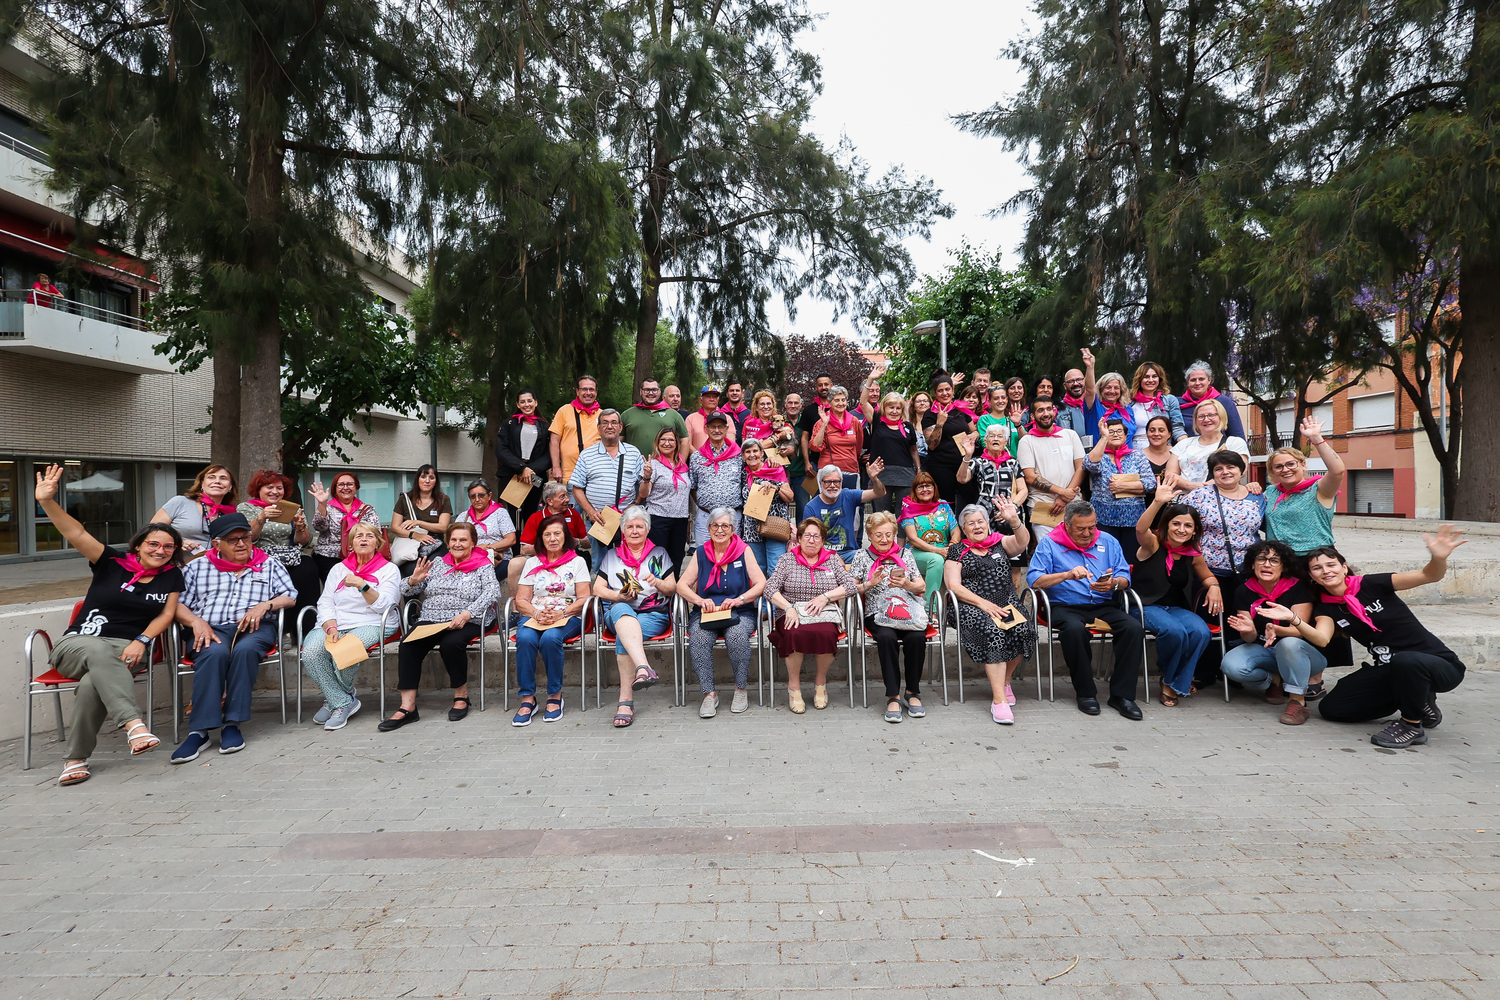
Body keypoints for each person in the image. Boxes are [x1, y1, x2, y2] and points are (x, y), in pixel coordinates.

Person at [34, 465, 183, 786]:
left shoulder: (171, 575)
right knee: (99, 650)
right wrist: (47, 502)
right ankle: (133, 725)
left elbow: (166, 615)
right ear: (139, 545)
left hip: (127, 648)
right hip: (78, 644)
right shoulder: (110, 563)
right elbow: (76, 533)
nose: (161, 550)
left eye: (168, 546)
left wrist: (142, 640)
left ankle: (75, 759)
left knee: (92, 684)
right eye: (154, 544)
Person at [1260, 526, 1468, 748]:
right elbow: (1321, 639)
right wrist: (1293, 618)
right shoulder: (1327, 608)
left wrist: (1438, 558)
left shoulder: (1372, 584)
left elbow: (1429, 575)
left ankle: (1411, 725)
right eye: (1317, 568)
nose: (1326, 571)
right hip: (1390, 668)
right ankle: (1416, 698)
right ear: (1312, 576)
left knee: (1406, 660)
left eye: (1331, 565)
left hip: (1437, 665)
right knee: (1333, 708)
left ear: (1344, 567)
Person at [170, 513, 298, 762]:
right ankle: (200, 731)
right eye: (233, 540)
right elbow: (177, 605)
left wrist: (266, 605)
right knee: (213, 652)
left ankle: (232, 723)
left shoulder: (268, 563)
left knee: (245, 651)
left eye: (245, 538)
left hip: (255, 627)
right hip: (211, 627)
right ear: (217, 544)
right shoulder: (197, 566)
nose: (241, 544)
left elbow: (290, 596)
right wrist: (196, 622)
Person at [1027, 499, 1144, 719]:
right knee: (1073, 630)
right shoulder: (1050, 543)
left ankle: (1122, 696)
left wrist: (1114, 583)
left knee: (1133, 628)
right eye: (1081, 529)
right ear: (1067, 525)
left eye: (1092, 527)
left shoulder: (1108, 541)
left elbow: (1125, 575)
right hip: (1065, 605)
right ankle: (1086, 692)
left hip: (1103, 603)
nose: (1088, 533)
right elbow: (1034, 580)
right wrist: (1066, 574)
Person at [380, 522, 502, 731]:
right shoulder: (437, 563)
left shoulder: (483, 565)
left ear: (473, 543)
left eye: (463, 540)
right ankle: (408, 707)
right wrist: (412, 581)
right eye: (453, 540)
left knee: (451, 643)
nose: (457, 544)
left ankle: (461, 696)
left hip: (469, 618)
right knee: (408, 644)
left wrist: (466, 613)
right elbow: (406, 591)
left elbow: (492, 593)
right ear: (447, 542)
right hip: (432, 618)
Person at [298, 521, 401, 731]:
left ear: (378, 543)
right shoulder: (338, 569)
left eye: (369, 536)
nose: (364, 539)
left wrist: (362, 585)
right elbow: (325, 601)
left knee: (343, 651)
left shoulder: (389, 570)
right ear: (351, 544)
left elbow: (386, 607)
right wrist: (330, 626)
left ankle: (335, 700)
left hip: (373, 623)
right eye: (358, 536)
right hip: (337, 622)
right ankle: (342, 700)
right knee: (311, 651)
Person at [945, 502, 1036, 724]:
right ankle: (999, 701)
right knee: (994, 630)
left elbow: (1022, 542)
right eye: (970, 524)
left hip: (1005, 604)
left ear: (988, 523)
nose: (976, 526)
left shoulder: (999, 544)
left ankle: (1004, 682)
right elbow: (953, 586)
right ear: (964, 529)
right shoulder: (957, 550)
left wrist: (1014, 520)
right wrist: (983, 604)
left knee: (1024, 629)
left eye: (980, 521)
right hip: (971, 606)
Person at [1132, 485, 1219, 707]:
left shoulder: (1192, 554)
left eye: (1188, 525)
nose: (1181, 529)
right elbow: (1141, 529)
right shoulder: (1152, 544)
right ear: (1167, 525)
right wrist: (1157, 502)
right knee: (1174, 632)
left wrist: (1214, 587)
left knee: (1201, 632)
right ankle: (1171, 683)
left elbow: (1208, 577)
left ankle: (1172, 678)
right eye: (1176, 523)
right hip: (1145, 606)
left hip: (1176, 608)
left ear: (1194, 530)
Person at [1221, 539, 1324, 725]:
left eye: (1274, 560)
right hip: (1264, 648)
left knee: (1288, 643)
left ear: (1283, 566)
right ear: (1253, 564)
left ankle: (1297, 701)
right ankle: (1273, 681)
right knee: (1231, 666)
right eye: (1261, 559)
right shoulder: (1244, 591)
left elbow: (1297, 632)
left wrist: (1275, 629)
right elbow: (1249, 638)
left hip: (1302, 655)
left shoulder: (1298, 588)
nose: (1267, 564)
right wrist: (1249, 630)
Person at [593, 507, 676, 727]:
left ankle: (625, 701)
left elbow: (672, 587)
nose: (635, 531)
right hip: (619, 612)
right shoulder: (611, 556)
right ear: (622, 530)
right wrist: (618, 595)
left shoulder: (659, 553)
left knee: (624, 635)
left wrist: (657, 582)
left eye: (639, 526)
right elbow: (597, 589)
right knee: (620, 609)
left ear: (647, 530)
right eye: (630, 527)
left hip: (653, 615)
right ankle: (643, 668)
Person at [679, 507, 766, 718]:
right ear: (708, 528)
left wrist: (739, 600)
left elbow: (761, 583)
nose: (720, 530)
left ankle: (740, 689)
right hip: (706, 613)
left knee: (736, 636)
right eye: (715, 525)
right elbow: (681, 585)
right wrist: (700, 600)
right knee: (698, 638)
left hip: (740, 611)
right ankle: (709, 694)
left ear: (733, 529)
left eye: (725, 525)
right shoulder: (701, 552)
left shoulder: (744, 550)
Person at [765, 518, 857, 713]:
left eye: (816, 536)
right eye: (807, 536)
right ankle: (794, 686)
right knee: (794, 632)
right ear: (799, 539)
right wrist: (788, 607)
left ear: (823, 540)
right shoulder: (787, 559)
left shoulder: (832, 559)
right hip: (791, 611)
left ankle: (820, 683)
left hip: (823, 613)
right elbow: (770, 588)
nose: (811, 540)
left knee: (826, 633)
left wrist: (825, 597)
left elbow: (850, 586)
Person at [509, 514, 591, 726]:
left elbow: (584, 598)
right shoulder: (532, 563)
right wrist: (537, 613)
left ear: (565, 536)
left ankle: (555, 696)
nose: (553, 538)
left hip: (567, 615)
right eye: (547, 534)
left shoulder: (577, 562)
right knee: (525, 638)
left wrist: (561, 613)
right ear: (541, 538)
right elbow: (521, 600)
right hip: (536, 615)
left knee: (550, 638)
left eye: (557, 533)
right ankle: (528, 699)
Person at [849, 511, 930, 723]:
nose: (884, 539)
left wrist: (907, 585)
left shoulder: (905, 554)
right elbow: (850, 588)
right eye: (878, 535)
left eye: (888, 534)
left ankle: (912, 692)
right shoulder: (861, 556)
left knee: (916, 637)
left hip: (906, 610)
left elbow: (921, 585)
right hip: (877, 613)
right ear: (869, 535)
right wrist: (870, 584)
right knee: (886, 637)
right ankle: (893, 695)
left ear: (895, 533)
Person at [957, 423, 1032, 593]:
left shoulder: (1013, 462)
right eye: (992, 436)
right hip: (985, 516)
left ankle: (1014, 602)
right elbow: (962, 479)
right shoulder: (978, 461)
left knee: (1015, 564)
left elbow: (1023, 490)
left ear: (1006, 441)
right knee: (987, 559)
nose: (996, 439)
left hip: (1010, 516)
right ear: (985, 440)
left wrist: (1010, 508)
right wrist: (967, 456)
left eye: (1000, 436)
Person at [570, 409, 645, 572]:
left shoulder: (633, 453)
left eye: (613, 423)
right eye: (605, 423)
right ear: (599, 427)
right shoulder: (587, 455)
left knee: (626, 565)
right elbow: (577, 488)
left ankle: (623, 597)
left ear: (620, 427)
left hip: (626, 522)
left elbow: (643, 487)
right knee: (600, 566)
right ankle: (603, 597)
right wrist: (590, 512)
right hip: (599, 521)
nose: (609, 426)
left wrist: (636, 504)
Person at [1181, 450, 1265, 594]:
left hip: (1249, 571)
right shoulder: (1199, 495)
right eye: (1218, 469)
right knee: (1212, 615)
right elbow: (1176, 521)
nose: (1225, 472)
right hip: (1208, 572)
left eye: (1231, 467)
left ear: (1241, 470)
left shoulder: (1258, 497)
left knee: (1243, 614)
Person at [239, 468, 318, 622]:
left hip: (291, 555)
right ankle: (281, 628)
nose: (274, 491)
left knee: (308, 567)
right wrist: (261, 517)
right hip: (261, 557)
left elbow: (304, 541)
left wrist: (300, 527)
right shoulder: (247, 508)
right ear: (259, 489)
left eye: (279, 488)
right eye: (269, 487)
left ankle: (306, 625)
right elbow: (248, 537)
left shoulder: (292, 508)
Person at [1264, 414, 1346, 555]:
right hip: (1280, 561)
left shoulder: (1319, 489)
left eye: (1291, 464)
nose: (1285, 469)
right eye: (1279, 466)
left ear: (1303, 464)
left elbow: (1337, 471)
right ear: (1273, 471)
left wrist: (1316, 438)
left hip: (1315, 559)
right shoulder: (1270, 492)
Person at [1082, 417, 1157, 552]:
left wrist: (1124, 486)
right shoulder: (1100, 456)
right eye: (1111, 432)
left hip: (1133, 519)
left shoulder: (1137, 456)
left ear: (1126, 436)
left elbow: (1151, 483)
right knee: (1105, 557)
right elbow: (1089, 464)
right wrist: (1104, 438)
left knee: (1130, 558)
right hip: (1103, 518)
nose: (1115, 434)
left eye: (1119, 431)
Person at [507, 481, 589, 597]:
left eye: (566, 495)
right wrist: (548, 547)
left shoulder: (574, 514)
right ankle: (516, 609)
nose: (567, 500)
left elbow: (588, 543)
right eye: (562, 497)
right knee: (515, 563)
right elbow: (524, 550)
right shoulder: (536, 517)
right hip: (541, 557)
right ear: (550, 501)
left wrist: (577, 542)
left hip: (569, 558)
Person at [1017, 398, 1086, 531]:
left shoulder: (1070, 435)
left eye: (1049, 409)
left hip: (1072, 502)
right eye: (1040, 410)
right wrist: (1061, 492)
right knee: (1049, 549)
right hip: (1043, 505)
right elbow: (1030, 476)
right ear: (1032, 416)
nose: (1046, 413)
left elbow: (1081, 468)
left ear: (1054, 412)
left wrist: (1065, 497)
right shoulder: (1027, 441)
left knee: (1077, 546)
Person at [804, 461, 887, 562]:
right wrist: (832, 556)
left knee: (874, 560)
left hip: (850, 553)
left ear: (841, 482)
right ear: (821, 483)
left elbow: (879, 493)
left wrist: (874, 478)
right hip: (822, 554)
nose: (832, 485)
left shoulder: (848, 495)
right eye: (828, 482)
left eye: (836, 481)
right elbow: (809, 540)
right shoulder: (811, 507)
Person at [900, 472, 961, 603]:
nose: (925, 490)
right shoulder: (909, 507)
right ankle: (930, 608)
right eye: (920, 487)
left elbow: (956, 530)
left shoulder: (943, 505)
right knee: (936, 560)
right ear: (914, 491)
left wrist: (952, 544)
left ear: (934, 488)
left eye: (928, 486)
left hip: (945, 551)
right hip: (916, 553)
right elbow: (913, 538)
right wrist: (938, 551)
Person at [152, 464, 238, 556]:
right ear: (202, 484)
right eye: (211, 477)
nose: (217, 481)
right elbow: (152, 531)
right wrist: (177, 542)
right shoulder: (180, 502)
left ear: (230, 487)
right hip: (176, 565)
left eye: (223, 478)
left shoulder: (231, 513)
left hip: (214, 568)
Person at [495, 389, 553, 527]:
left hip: (535, 476)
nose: (526, 404)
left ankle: (528, 547)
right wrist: (522, 468)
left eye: (529, 401)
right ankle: (513, 548)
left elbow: (549, 454)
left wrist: (531, 469)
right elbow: (501, 449)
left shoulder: (545, 426)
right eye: (522, 402)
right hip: (511, 474)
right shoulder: (508, 424)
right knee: (511, 517)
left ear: (536, 402)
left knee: (531, 515)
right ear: (518, 404)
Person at [307, 471, 381, 579]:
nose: (345, 487)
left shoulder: (367, 510)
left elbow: (376, 534)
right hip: (330, 556)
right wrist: (322, 504)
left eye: (350, 484)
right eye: (341, 484)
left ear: (356, 488)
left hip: (362, 555)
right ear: (335, 488)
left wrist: (359, 547)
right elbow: (319, 526)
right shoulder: (327, 507)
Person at [641, 426, 692, 578]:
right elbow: (644, 493)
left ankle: (672, 595)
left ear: (677, 443)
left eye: (671, 439)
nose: (667, 443)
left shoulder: (683, 465)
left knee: (676, 558)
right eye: (663, 439)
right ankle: (656, 595)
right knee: (658, 560)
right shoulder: (653, 465)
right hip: (658, 518)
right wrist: (647, 477)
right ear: (657, 442)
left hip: (680, 520)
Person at [920, 375, 978, 504]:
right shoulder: (930, 414)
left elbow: (974, 431)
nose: (945, 393)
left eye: (948, 389)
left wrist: (974, 435)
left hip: (963, 463)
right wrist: (940, 423)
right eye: (940, 390)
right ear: (935, 393)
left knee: (971, 501)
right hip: (941, 466)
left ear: (953, 390)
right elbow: (932, 445)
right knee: (947, 504)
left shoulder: (961, 410)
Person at [740, 438, 795, 573]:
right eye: (748, 452)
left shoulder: (774, 468)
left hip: (774, 527)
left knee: (775, 569)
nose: (752, 455)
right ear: (743, 455)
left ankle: (774, 595)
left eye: (755, 451)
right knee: (757, 570)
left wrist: (775, 487)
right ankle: (760, 595)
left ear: (762, 453)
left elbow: (790, 497)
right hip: (752, 529)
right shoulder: (742, 473)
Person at [1171, 398, 1250, 489]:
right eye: (1201, 416)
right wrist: (1192, 487)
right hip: (1184, 499)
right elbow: (1170, 474)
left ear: (1221, 417)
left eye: (1211, 415)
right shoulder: (1183, 444)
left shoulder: (1234, 443)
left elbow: (1241, 471)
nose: (1206, 419)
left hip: (1218, 498)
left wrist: (1204, 489)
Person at [689, 411, 743, 543]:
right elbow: (693, 486)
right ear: (706, 429)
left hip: (732, 517)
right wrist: (707, 503)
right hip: (705, 516)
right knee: (704, 556)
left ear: (726, 429)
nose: (717, 430)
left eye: (720, 426)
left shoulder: (738, 455)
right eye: (713, 426)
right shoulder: (697, 457)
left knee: (733, 557)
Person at [391, 464, 453, 574]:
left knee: (437, 568)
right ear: (417, 479)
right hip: (409, 545)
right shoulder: (405, 499)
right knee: (413, 571)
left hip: (434, 545)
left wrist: (418, 522)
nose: (427, 481)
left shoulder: (443, 500)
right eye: (423, 477)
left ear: (436, 482)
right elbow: (395, 527)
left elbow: (443, 527)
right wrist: (415, 535)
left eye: (431, 478)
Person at [866, 391, 919, 514]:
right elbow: (863, 402)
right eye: (891, 408)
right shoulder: (877, 422)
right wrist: (870, 380)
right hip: (881, 473)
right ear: (884, 408)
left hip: (905, 474)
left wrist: (919, 468)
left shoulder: (908, 426)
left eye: (898, 408)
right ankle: (881, 534)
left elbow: (913, 449)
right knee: (881, 514)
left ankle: (901, 535)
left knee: (904, 514)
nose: (894, 411)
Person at [548, 374, 602, 485]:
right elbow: (554, 441)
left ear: (596, 392)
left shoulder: (603, 415)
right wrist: (556, 467)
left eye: (591, 389)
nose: (588, 393)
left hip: (596, 477)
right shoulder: (564, 411)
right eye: (584, 389)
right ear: (577, 391)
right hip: (569, 476)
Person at [456, 479, 517, 575]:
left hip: (497, 558)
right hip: (468, 558)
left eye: (481, 495)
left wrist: (488, 548)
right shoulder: (463, 516)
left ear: (489, 496)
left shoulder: (500, 513)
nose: (477, 499)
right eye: (473, 496)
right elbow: (453, 539)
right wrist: (474, 549)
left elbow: (511, 539)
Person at [810, 385, 865, 487]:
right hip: (828, 471)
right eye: (837, 400)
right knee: (830, 502)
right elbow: (815, 447)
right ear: (829, 403)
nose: (841, 403)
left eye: (843, 400)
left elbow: (858, 446)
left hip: (851, 469)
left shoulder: (854, 421)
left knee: (851, 502)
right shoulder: (821, 422)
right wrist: (824, 424)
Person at [620, 377, 689, 456]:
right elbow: (617, 442)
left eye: (654, 390)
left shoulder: (673, 415)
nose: (651, 393)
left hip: (665, 466)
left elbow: (684, 439)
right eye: (647, 390)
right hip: (633, 466)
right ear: (640, 391)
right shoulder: (627, 414)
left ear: (659, 392)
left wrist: (681, 463)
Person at [1180, 360, 1247, 440]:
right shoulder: (1178, 404)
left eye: (1201, 379)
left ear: (1209, 380)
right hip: (1187, 450)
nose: (1197, 383)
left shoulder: (1224, 402)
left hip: (1219, 450)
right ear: (1188, 383)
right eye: (1193, 380)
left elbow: (1237, 434)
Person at [1081, 348, 1136, 442]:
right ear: (1101, 389)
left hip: (1126, 454)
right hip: (1102, 454)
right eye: (1108, 387)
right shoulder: (1094, 406)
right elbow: (1090, 390)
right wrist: (1090, 367)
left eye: (1116, 388)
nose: (1112, 391)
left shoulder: (1126, 408)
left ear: (1121, 390)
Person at [1129, 362, 1187, 446]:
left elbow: (1177, 427)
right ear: (1139, 379)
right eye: (1146, 377)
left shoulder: (1169, 400)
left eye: (1154, 376)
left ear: (1160, 379)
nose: (1151, 380)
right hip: (1136, 450)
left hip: (1163, 449)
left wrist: (1187, 443)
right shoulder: (1130, 402)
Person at [798, 373, 835, 475]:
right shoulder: (809, 410)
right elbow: (804, 438)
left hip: (837, 461)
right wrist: (807, 462)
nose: (823, 387)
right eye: (820, 385)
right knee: (815, 491)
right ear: (816, 387)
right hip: (815, 462)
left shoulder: (840, 408)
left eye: (826, 384)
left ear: (831, 385)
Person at [686, 385, 737, 451]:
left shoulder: (726, 418)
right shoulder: (691, 418)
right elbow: (687, 443)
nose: (711, 399)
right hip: (698, 459)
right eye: (708, 397)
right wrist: (700, 457)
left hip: (722, 459)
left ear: (718, 400)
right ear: (700, 400)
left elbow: (731, 443)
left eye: (714, 397)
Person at [783, 392, 809, 518]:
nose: (793, 406)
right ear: (785, 405)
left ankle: (802, 536)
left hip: (802, 473)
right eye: (790, 403)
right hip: (782, 474)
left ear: (801, 405)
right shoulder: (779, 422)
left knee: (803, 508)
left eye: (796, 403)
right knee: (782, 508)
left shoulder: (806, 422)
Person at [977, 386, 1021, 458]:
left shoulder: (1012, 419)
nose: (1000, 401)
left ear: (1007, 400)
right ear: (989, 402)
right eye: (996, 398)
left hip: (1014, 464)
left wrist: (1018, 424)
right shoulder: (985, 419)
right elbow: (985, 443)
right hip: (994, 463)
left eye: (1003, 398)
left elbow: (1025, 440)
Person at [1055, 366, 1092, 444]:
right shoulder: (1057, 409)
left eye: (1079, 380)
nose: (1075, 384)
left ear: (1085, 381)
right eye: (1071, 381)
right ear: (1065, 386)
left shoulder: (1094, 405)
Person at [1141, 415, 1182, 483]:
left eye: (1161, 430)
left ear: (1169, 434)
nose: (1156, 434)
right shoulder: (1138, 456)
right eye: (1152, 430)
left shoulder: (1177, 454)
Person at [908, 391, 933, 462]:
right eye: (918, 401)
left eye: (925, 401)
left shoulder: (937, 423)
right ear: (913, 406)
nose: (922, 403)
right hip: (914, 465)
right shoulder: (908, 426)